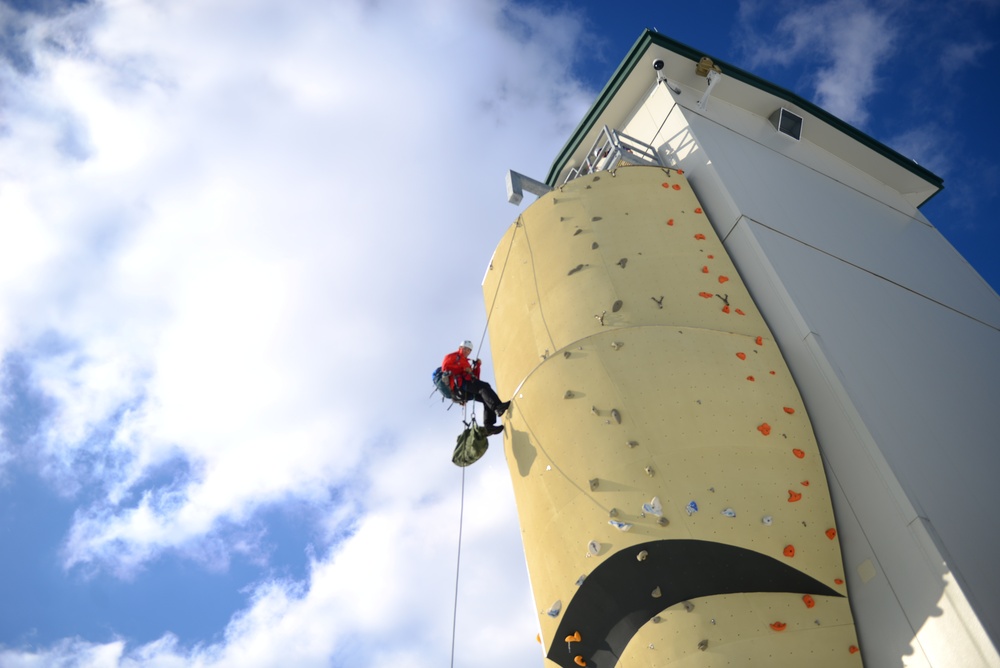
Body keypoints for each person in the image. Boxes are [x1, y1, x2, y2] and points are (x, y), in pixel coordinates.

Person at [442, 340, 510, 436]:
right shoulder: (453, 356)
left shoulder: (466, 361)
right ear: (460, 348)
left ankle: (489, 426)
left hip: (465, 385)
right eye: (465, 349)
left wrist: (477, 366)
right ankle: (497, 407)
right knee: (484, 387)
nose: (467, 351)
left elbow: (475, 378)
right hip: (461, 384)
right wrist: (462, 369)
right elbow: (445, 368)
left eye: (469, 350)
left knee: (485, 397)